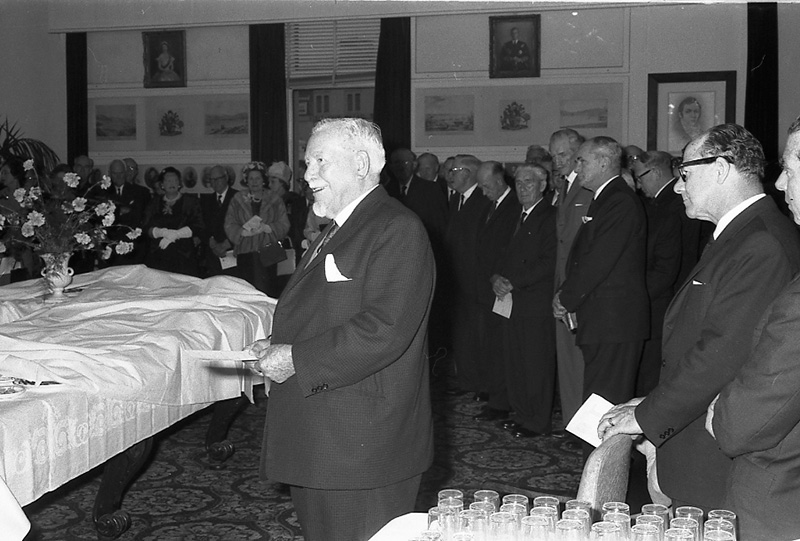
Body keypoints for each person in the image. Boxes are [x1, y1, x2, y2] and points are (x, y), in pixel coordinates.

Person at [248, 118, 435, 541]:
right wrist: (279, 345)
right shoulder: (342, 226)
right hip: (328, 437)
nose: (308, 174)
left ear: (361, 163)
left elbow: (383, 330)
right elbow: (327, 311)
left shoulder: (396, 228)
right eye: (307, 162)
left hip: (361, 445)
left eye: (319, 161)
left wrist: (293, 358)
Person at [599, 123, 800, 512]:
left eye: (685, 174)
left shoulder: (761, 243)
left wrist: (647, 415)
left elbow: (723, 353)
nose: (677, 187)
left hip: (717, 456)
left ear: (721, 169)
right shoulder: (743, 233)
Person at [705, 116, 800, 540]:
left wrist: (719, 410)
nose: (780, 185)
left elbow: (739, 425)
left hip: (777, 502)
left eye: (792, 170)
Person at [553, 136, 649, 410]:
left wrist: (566, 298)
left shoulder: (618, 201)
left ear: (604, 163)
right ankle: (595, 454)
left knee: (605, 402)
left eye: (582, 160)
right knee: (599, 400)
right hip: (605, 321)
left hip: (614, 322)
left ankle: (600, 455)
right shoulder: (606, 198)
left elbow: (598, 260)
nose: (576, 166)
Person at [492, 164, 557, 437]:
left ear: (543, 185)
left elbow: (548, 261)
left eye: (528, 182)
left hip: (534, 303)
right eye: (518, 182)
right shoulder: (513, 215)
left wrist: (513, 281)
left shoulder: (550, 216)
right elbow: (496, 251)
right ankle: (522, 414)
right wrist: (494, 277)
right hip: (509, 301)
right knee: (515, 361)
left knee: (535, 365)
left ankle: (536, 420)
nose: (522, 188)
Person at [631, 150, 687, 395]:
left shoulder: (671, 205)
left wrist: (636, 297)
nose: (638, 183)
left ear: (654, 172)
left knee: (653, 374)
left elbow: (666, 266)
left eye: (640, 176)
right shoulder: (659, 203)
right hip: (661, 298)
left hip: (664, 301)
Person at [471, 161, 520, 420]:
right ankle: (496, 395)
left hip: (501, 287)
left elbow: (507, 249)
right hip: (487, 288)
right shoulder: (491, 204)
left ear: (500, 181)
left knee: (501, 348)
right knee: (491, 345)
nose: (483, 191)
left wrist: (494, 277)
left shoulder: (514, 206)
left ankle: (501, 402)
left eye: (486, 186)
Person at [549, 128, 591, 425]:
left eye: (562, 155)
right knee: (567, 361)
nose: (556, 161)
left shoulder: (587, 188)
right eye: (553, 155)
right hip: (562, 287)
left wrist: (571, 290)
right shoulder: (564, 187)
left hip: (578, 289)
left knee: (581, 362)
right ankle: (572, 423)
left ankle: (582, 426)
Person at [443, 154, 491, 395]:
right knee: (462, 336)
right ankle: (467, 381)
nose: (450, 175)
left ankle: (482, 384)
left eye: (455, 170)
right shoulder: (456, 200)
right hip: (458, 283)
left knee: (479, 336)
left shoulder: (483, 200)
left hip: (476, 283)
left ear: (470, 173)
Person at [224, 161, 289, 297]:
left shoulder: (275, 199)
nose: (254, 182)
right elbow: (229, 223)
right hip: (246, 250)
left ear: (264, 180)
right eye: (251, 178)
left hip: (269, 249)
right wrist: (242, 232)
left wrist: (268, 228)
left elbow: (284, 223)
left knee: (268, 289)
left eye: (258, 178)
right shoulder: (237, 198)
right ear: (246, 180)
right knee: (247, 289)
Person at [143, 166, 204, 276]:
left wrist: (177, 234)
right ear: (162, 184)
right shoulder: (154, 203)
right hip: (159, 254)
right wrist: (162, 233)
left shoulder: (191, 202)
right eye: (168, 180)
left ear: (180, 183)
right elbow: (145, 226)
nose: (172, 183)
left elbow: (199, 225)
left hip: (184, 256)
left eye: (175, 180)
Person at [103, 159, 150, 265]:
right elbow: (101, 218)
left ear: (126, 173)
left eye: (121, 173)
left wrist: (114, 212)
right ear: (110, 174)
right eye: (115, 173)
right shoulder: (102, 192)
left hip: (133, 248)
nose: (118, 176)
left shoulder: (141, 192)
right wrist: (120, 210)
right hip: (109, 247)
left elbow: (138, 217)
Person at [199, 165, 237, 277]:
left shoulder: (238, 197)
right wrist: (211, 242)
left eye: (218, 179)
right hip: (212, 256)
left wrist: (227, 244)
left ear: (226, 178)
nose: (214, 183)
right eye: (212, 180)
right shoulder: (205, 201)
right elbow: (201, 225)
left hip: (233, 253)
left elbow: (244, 225)